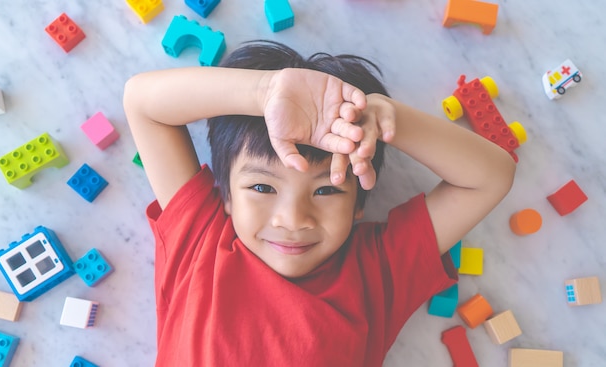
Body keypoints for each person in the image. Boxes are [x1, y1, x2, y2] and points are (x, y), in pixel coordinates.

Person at [123, 41, 515, 367]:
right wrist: (264, 93)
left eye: (327, 190)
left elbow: (490, 177)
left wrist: (386, 119)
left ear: (360, 201)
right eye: (262, 188)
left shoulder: (378, 270)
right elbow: (142, 103)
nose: (293, 219)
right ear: (226, 194)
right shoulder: (199, 240)